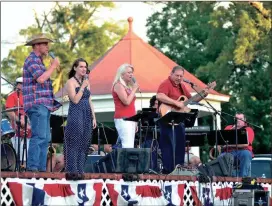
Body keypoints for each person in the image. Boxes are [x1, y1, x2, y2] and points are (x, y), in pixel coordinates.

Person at [156, 65, 206, 174]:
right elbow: (159, 96)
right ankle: (168, 171)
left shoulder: (182, 86)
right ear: (171, 74)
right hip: (166, 117)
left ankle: (178, 169)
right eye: (177, 75)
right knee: (168, 145)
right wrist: (175, 102)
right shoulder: (166, 83)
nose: (179, 78)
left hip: (179, 119)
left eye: (181, 76)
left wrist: (203, 94)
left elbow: (191, 100)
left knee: (180, 145)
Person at [23, 33, 61, 172]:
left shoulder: (38, 61)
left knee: (45, 138)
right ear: (37, 45)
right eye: (45, 44)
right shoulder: (31, 60)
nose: (47, 47)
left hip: (43, 105)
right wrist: (53, 66)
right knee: (39, 136)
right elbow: (40, 79)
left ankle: (40, 169)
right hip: (36, 104)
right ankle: (33, 169)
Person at [64, 58, 97, 174]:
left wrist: (94, 117)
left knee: (85, 143)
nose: (84, 69)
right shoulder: (70, 82)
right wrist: (82, 87)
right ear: (75, 68)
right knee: (75, 142)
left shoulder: (86, 82)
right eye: (81, 67)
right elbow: (75, 100)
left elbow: (90, 100)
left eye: (85, 67)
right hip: (76, 114)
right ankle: (72, 170)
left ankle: (81, 169)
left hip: (87, 114)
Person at [5, 77, 31, 164]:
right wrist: (19, 121)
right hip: (18, 131)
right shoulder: (12, 96)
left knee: (30, 157)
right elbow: (9, 111)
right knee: (21, 159)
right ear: (17, 85)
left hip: (31, 131)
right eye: (21, 84)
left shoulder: (31, 97)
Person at [112, 63, 139, 148]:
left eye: (132, 72)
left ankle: (127, 161)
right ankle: (125, 161)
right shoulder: (118, 85)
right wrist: (134, 89)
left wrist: (136, 121)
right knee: (127, 145)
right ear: (122, 74)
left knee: (130, 145)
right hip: (123, 118)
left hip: (131, 119)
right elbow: (126, 102)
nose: (131, 74)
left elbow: (132, 105)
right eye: (129, 72)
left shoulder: (127, 87)